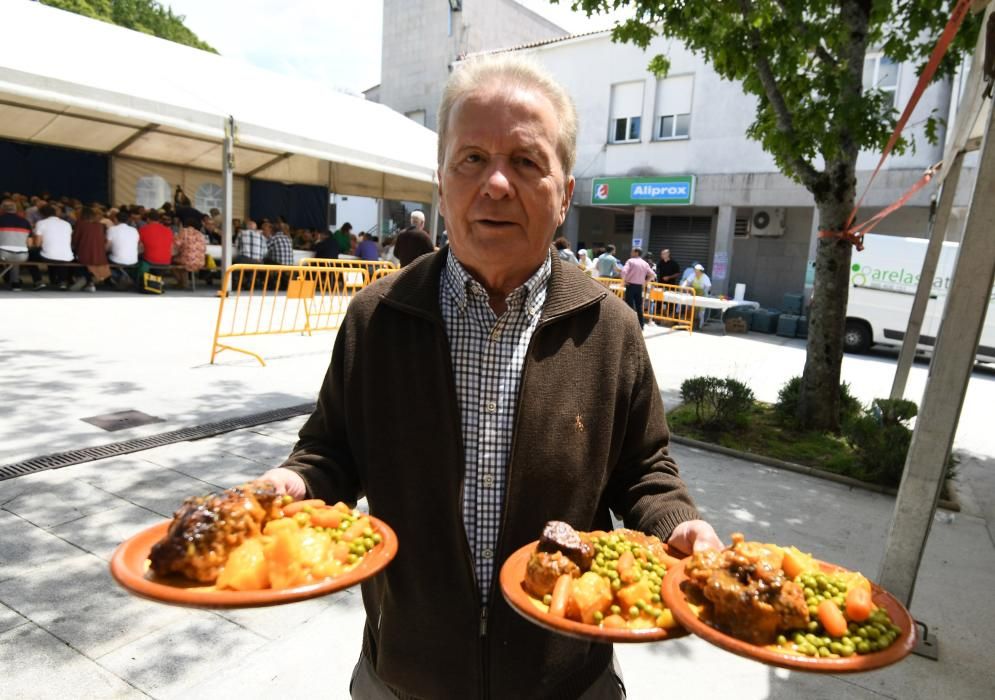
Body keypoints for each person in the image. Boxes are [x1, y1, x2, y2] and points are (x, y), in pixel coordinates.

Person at [255, 55, 720, 700]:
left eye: (527, 162)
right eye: (470, 159)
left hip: (565, 678)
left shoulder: (612, 329)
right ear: (441, 183)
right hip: (405, 674)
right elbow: (330, 450)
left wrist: (676, 525)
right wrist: (293, 480)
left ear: (566, 194)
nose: (496, 183)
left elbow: (644, 473)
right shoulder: (377, 317)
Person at [28, 204, 74, 290]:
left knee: (30, 255)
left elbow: (37, 244)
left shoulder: (41, 223)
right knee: (60, 255)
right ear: (55, 213)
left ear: (42, 214)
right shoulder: (67, 224)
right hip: (67, 256)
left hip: (48, 256)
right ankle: (62, 282)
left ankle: (38, 281)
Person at [70, 206, 110, 292]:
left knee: (73, 258)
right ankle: (89, 282)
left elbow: (75, 240)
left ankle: (83, 278)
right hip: (100, 255)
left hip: (84, 253)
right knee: (87, 261)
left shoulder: (80, 223)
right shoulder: (101, 225)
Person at [0, 199, 31, 290]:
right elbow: (30, 243)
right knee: (15, 255)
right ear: (15, 210)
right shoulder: (25, 222)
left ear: (2, 209)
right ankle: (15, 283)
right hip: (23, 256)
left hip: (3, 254)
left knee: (9, 254)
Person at [621, 246, 655, 330]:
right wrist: (645, 282)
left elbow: (624, 271)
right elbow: (653, 275)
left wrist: (624, 281)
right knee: (639, 306)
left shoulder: (630, 261)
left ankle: (629, 325)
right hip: (639, 287)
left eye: (632, 251)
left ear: (636, 252)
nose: (631, 252)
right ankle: (641, 325)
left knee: (629, 306)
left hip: (630, 286)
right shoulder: (645, 263)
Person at [105, 207, 140, 289]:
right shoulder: (134, 230)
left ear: (116, 219)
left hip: (117, 260)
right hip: (133, 260)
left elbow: (107, 247)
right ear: (128, 220)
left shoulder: (112, 229)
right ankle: (124, 277)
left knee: (104, 260)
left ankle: (114, 279)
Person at [173, 216, 207, 288]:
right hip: (200, 261)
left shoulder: (184, 232)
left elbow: (176, 245)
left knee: (172, 262)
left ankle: (182, 282)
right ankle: (184, 282)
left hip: (188, 261)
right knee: (183, 259)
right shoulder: (200, 234)